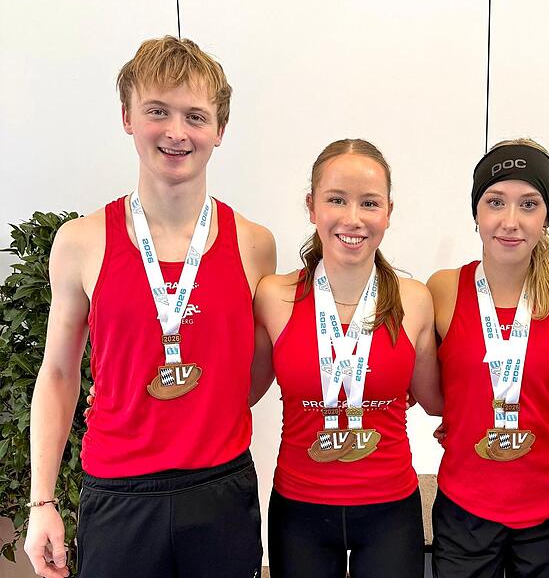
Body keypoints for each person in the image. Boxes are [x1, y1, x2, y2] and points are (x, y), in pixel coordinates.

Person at [24, 36, 276, 578]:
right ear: (127, 117)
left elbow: (256, 369)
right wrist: (41, 501)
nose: (176, 132)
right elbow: (60, 372)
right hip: (118, 495)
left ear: (220, 130)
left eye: (195, 116)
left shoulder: (253, 243)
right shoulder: (82, 241)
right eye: (157, 111)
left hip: (221, 489)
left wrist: (202, 406)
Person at [255, 138, 441, 578]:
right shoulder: (274, 297)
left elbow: (437, 401)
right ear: (312, 206)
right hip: (299, 508)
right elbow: (236, 393)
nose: (353, 218)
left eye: (369, 203)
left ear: (389, 213)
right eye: (336, 199)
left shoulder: (414, 301)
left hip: (390, 509)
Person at [427, 139, 549, 578]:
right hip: (465, 506)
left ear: (546, 215)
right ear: (476, 211)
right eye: (496, 202)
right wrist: (476, 419)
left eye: (528, 204)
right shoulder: (443, 290)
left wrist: (521, 424)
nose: (510, 221)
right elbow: (439, 393)